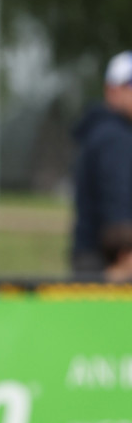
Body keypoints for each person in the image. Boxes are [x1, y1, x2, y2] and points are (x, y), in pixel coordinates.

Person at [71, 50, 132, 281]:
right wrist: (125, 253)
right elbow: (117, 198)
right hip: (110, 259)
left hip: (92, 256)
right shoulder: (115, 136)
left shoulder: (101, 130)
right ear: (113, 90)